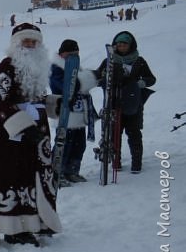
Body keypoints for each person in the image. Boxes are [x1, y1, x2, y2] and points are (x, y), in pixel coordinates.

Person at [0, 23, 62, 252]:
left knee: (26, 180)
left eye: (34, 42)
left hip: (35, 132)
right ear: (16, 45)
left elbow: (38, 98)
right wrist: (22, 125)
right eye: (26, 41)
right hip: (6, 132)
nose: (30, 46)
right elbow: (0, 101)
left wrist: (56, 105)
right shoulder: (5, 68)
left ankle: (19, 228)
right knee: (0, 179)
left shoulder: (38, 68)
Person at [96, 31, 156, 173]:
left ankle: (137, 163)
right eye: (118, 44)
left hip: (133, 102)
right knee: (114, 133)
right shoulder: (109, 60)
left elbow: (151, 79)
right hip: (113, 103)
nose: (120, 46)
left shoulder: (139, 61)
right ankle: (116, 163)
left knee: (133, 133)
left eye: (124, 44)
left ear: (130, 45)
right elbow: (99, 76)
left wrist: (141, 82)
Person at [49, 40, 98, 184]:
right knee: (64, 144)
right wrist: (86, 80)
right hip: (65, 112)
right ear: (62, 53)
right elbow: (70, 86)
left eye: (76, 54)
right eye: (70, 54)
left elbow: (80, 84)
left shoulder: (76, 68)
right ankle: (57, 173)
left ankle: (72, 171)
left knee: (79, 144)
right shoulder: (56, 68)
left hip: (79, 112)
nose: (73, 57)